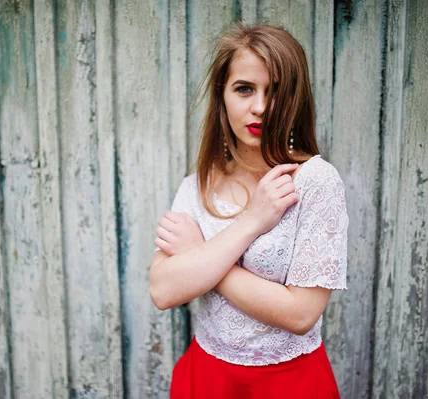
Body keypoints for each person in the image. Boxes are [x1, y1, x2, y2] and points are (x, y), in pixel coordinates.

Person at [149, 23, 348, 398]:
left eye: (274, 92)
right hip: (207, 379)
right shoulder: (198, 185)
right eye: (244, 89)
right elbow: (163, 290)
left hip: (288, 384)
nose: (259, 107)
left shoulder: (315, 182)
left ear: (294, 99)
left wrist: (201, 260)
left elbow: (300, 315)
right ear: (222, 94)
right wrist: (252, 222)